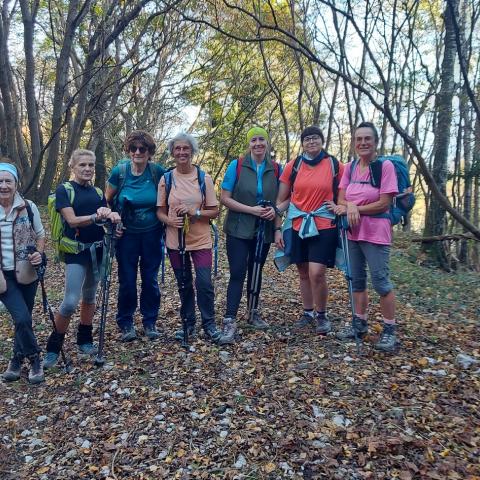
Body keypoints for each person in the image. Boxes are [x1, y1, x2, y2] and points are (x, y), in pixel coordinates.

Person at [43, 149, 121, 369]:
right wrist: (97, 217)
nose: (87, 169)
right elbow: (73, 220)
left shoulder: (97, 192)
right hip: (75, 251)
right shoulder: (64, 190)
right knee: (69, 301)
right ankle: (53, 348)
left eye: (91, 165)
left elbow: (106, 212)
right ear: (73, 167)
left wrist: (112, 216)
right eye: (82, 165)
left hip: (97, 251)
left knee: (90, 297)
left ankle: (84, 340)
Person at [330, 121, 398, 352]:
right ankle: (359, 323)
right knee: (356, 280)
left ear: (376, 142)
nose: (363, 143)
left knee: (381, 282)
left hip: (376, 233)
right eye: (359, 139)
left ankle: (390, 330)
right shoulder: (349, 168)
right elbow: (340, 199)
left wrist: (355, 208)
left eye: (367, 138)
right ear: (353, 143)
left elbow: (384, 202)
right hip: (352, 232)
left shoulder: (384, 167)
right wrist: (350, 206)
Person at [275, 126, 345, 334]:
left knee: (317, 272)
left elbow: (344, 192)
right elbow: (282, 200)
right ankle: (307, 312)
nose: (311, 142)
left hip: (324, 224)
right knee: (303, 272)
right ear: (302, 142)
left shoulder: (334, 165)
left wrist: (340, 205)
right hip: (297, 223)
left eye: (315, 138)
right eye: (307, 139)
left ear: (322, 141)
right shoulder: (293, 166)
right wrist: (277, 228)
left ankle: (322, 315)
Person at [217, 126, 280, 345]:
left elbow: (286, 197)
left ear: (267, 142)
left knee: (256, 270)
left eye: (262, 139)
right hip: (238, 227)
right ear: (249, 143)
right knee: (237, 271)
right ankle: (230, 318)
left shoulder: (277, 169)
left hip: (264, 229)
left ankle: (253, 312)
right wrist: (250, 209)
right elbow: (224, 198)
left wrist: (277, 211)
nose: (258, 144)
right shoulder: (237, 165)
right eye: (254, 140)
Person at [157, 133, 221, 342]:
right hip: (176, 241)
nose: (182, 152)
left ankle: (209, 323)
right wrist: (169, 221)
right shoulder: (166, 179)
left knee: (204, 283)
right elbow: (160, 211)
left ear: (192, 152)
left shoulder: (204, 178)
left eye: (186, 148)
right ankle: (188, 323)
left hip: (201, 240)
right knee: (183, 283)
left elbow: (214, 211)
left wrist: (195, 212)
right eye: (178, 149)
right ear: (172, 153)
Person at [105, 130, 165, 341]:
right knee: (127, 281)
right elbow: (107, 201)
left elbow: (166, 200)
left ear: (150, 152)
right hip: (126, 236)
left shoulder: (157, 172)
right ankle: (126, 322)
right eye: (134, 148)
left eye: (143, 148)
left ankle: (150, 322)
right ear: (128, 151)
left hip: (152, 234)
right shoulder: (119, 173)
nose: (138, 152)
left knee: (150, 279)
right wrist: (114, 220)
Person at [0, 161, 46, 384]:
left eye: (8, 181)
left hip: (27, 271)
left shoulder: (28, 207)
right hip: (3, 276)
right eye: (0, 181)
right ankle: (35, 358)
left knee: (22, 321)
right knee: (22, 317)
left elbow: (40, 234)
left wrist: (38, 253)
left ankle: (16, 360)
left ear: (16, 184)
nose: (4, 185)